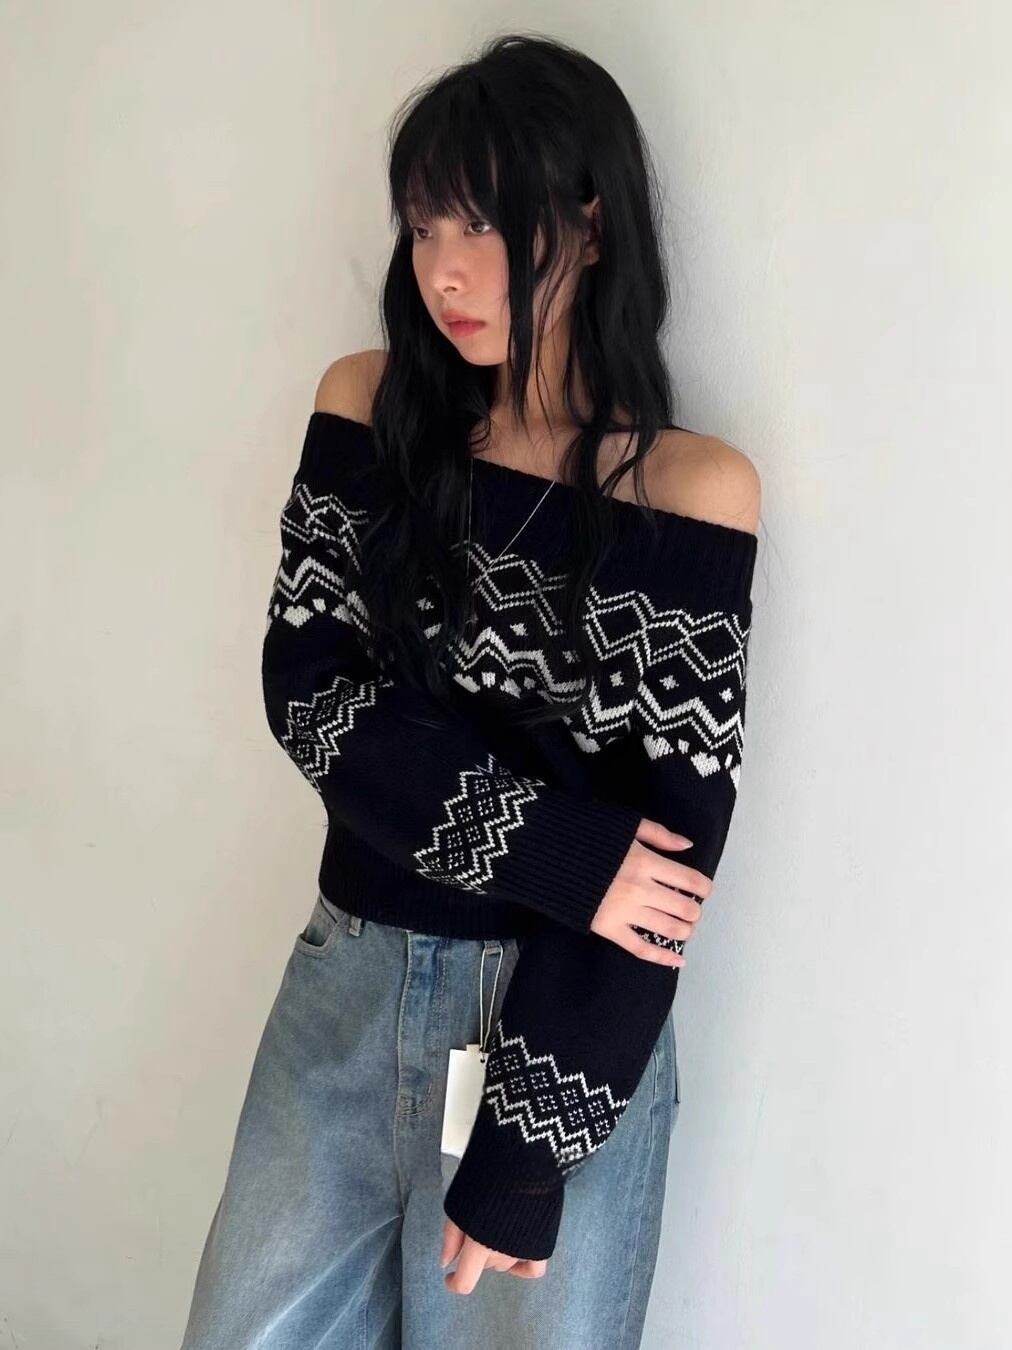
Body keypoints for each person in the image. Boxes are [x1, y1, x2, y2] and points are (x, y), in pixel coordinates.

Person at [180, 31, 761, 1350]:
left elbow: (667, 870)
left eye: (483, 225)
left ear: (590, 227)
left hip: (557, 1028)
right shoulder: (370, 409)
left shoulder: (691, 492)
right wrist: (560, 849)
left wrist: (530, 1146)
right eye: (423, 224)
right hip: (346, 983)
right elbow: (311, 693)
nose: (442, 268)